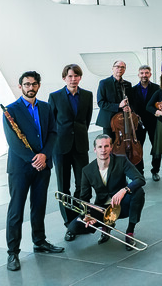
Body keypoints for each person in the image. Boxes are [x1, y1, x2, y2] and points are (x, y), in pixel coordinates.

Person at [3, 71, 63, 271]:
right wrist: (33, 159)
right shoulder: (11, 110)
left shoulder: (46, 107)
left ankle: (39, 241)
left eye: (34, 84)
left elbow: (53, 133)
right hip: (21, 168)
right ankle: (13, 253)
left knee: (39, 206)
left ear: (38, 86)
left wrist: (44, 155)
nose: (30, 87)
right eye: (26, 84)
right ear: (20, 86)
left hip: (43, 165)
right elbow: (13, 142)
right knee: (16, 211)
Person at [65, 134, 146, 251]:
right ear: (94, 149)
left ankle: (129, 232)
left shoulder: (121, 160)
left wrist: (124, 190)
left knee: (138, 192)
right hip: (102, 208)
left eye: (106, 146)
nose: (103, 150)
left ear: (111, 147)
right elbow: (84, 197)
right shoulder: (87, 170)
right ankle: (106, 224)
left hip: (121, 205)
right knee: (73, 228)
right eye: (100, 147)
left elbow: (140, 179)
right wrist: (87, 215)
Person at [48, 64, 93, 226]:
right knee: (63, 186)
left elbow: (86, 121)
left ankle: (80, 217)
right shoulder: (55, 97)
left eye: (76, 76)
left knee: (82, 185)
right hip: (60, 147)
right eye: (70, 76)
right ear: (64, 78)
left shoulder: (87, 95)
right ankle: (69, 223)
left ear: (80, 77)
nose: (73, 79)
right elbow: (50, 123)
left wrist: (78, 134)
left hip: (80, 145)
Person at [96, 60, 144, 172]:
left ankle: (127, 170)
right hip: (109, 122)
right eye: (117, 66)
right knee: (109, 147)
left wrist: (129, 107)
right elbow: (101, 102)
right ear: (112, 68)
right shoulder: (104, 83)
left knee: (126, 146)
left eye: (123, 67)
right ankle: (110, 171)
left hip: (124, 121)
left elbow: (131, 101)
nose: (120, 69)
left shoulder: (127, 84)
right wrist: (118, 105)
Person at [130, 66, 161, 180]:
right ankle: (139, 172)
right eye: (142, 73)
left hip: (154, 122)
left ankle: (155, 170)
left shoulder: (157, 88)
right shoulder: (132, 90)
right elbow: (130, 106)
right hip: (138, 123)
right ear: (138, 75)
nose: (144, 75)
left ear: (150, 74)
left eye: (146, 73)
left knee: (157, 148)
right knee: (138, 149)